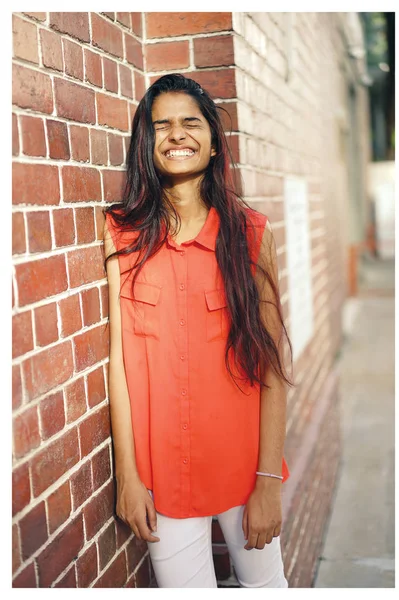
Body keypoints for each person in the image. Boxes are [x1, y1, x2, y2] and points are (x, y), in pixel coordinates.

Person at [103, 73, 293, 588]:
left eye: (191, 122)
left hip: (243, 468)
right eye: (161, 125)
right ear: (147, 144)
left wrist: (268, 482)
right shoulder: (120, 233)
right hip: (163, 478)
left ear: (212, 142)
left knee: (266, 588)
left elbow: (272, 367)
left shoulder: (251, 233)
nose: (176, 135)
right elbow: (119, 365)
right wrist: (129, 477)